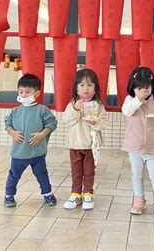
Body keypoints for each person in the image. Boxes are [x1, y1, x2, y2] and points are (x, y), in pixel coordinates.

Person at [122, 67, 154, 221]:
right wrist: (138, 99)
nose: (143, 91)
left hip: (152, 146)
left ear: (152, 87)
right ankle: (139, 199)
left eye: (146, 87)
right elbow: (126, 111)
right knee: (136, 174)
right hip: (134, 145)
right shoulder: (130, 100)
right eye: (139, 88)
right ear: (133, 87)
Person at [4, 74, 57, 208]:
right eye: (21, 92)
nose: (24, 95)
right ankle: (9, 196)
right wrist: (13, 132)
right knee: (14, 175)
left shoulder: (42, 110)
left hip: (37, 153)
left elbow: (52, 124)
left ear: (37, 93)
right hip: (19, 154)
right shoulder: (15, 111)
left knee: (42, 174)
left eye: (28, 92)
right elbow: (7, 124)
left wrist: (41, 135)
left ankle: (47, 193)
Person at [63, 69, 107, 210]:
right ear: (76, 87)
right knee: (76, 171)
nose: (85, 88)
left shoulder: (98, 105)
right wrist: (76, 109)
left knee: (89, 171)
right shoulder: (73, 104)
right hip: (76, 143)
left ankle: (88, 193)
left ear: (95, 87)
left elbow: (103, 121)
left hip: (91, 145)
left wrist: (96, 123)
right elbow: (67, 121)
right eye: (81, 85)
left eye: (89, 85)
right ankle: (75, 194)